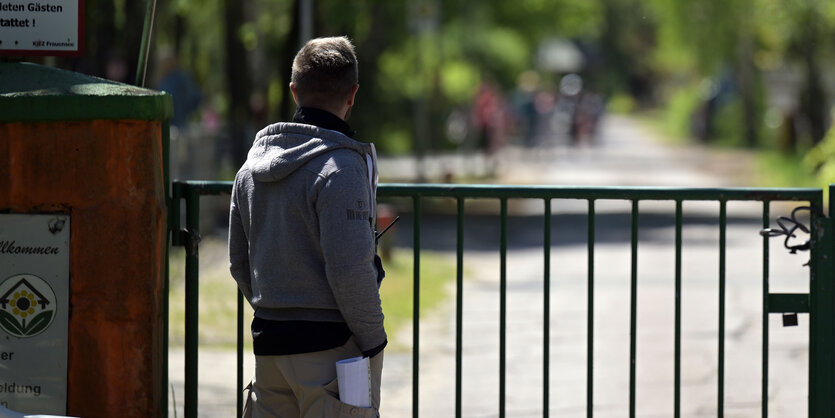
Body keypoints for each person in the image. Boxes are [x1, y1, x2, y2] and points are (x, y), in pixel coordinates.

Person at [228, 36, 386, 418]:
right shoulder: (341, 169)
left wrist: (279, 307)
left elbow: (238, 262)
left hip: (269, 348)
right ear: (353, 94)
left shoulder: (250, 170)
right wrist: (373, 339)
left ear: (294, 91)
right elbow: (349, 269)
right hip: (332, 352)